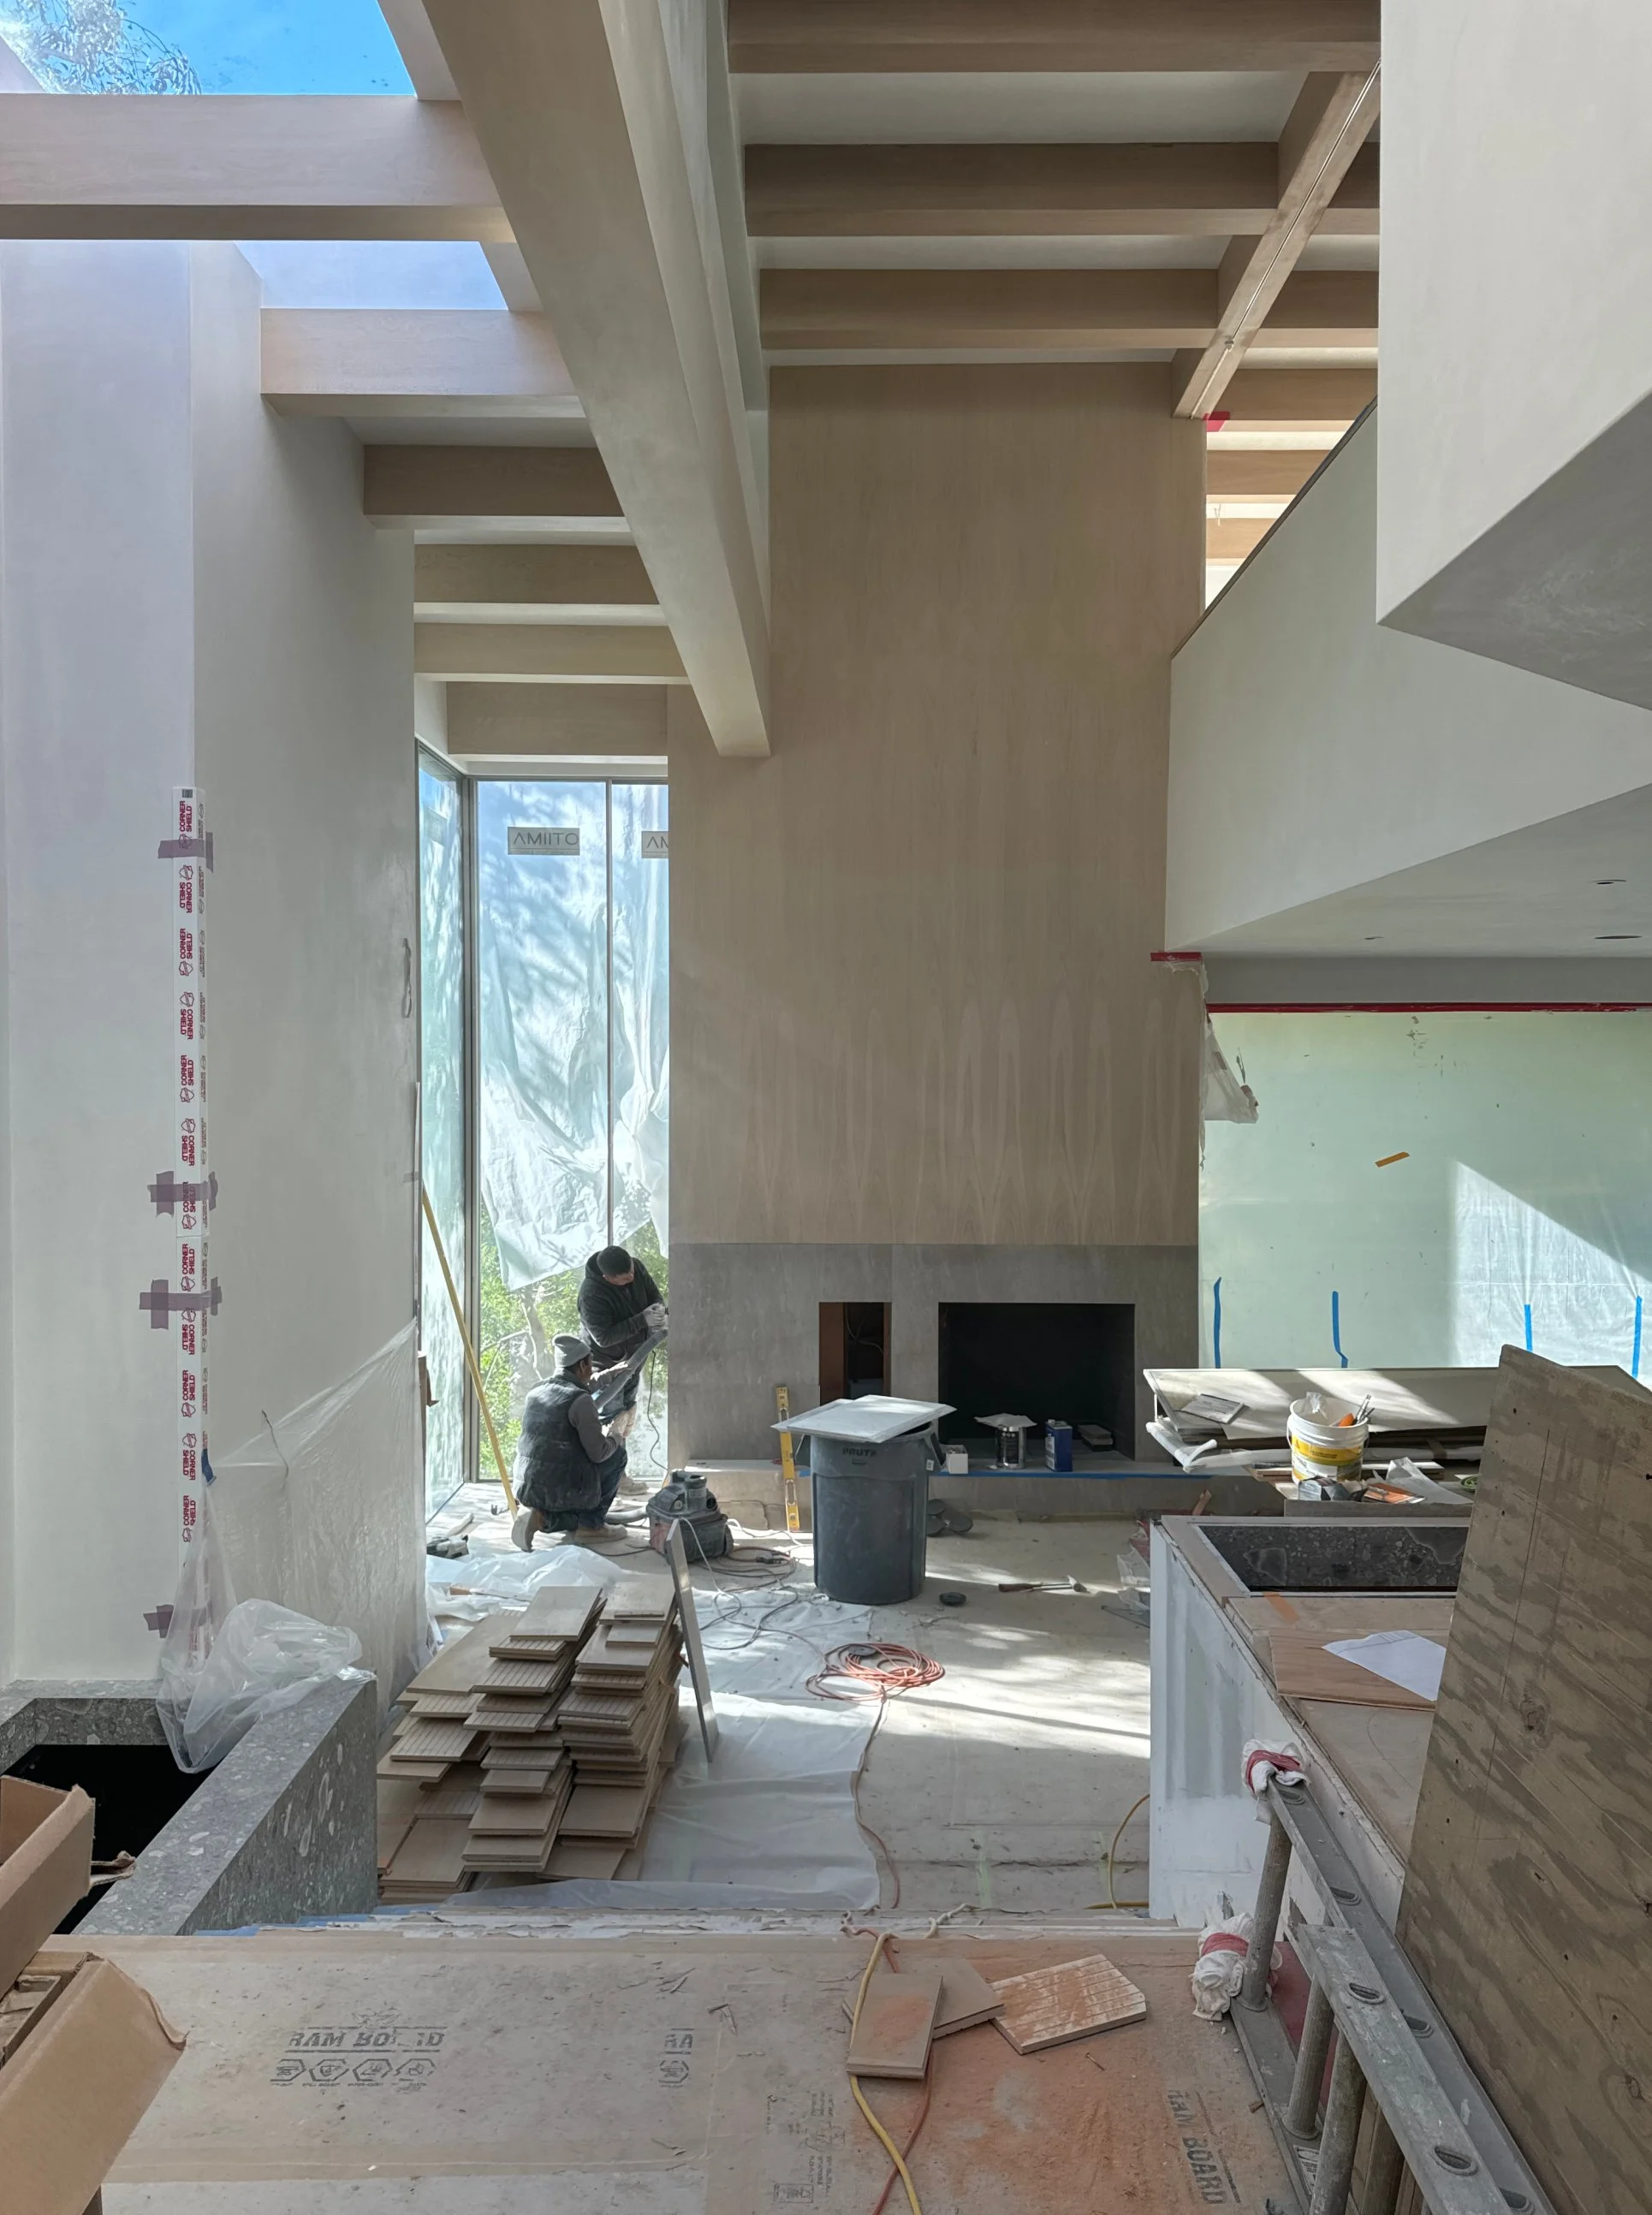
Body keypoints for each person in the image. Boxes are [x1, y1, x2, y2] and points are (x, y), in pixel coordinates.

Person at [510, 1333, 627, 1550]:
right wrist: (615, 1435)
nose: (592, 1368)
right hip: (558, 1488)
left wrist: (609, 1375)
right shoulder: (581, 1401)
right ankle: (591, 1526)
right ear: (583, 1365)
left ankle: (540, 1517)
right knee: (617, 1455)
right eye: (590, 1363)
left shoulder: (537, 1390)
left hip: (528, 1485)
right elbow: (599, 1453)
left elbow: (578, 1385)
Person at [576, 1243, 665, 1442]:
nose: (632, 1278)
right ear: (607, 1278)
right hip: (607, 1369)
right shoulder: (591, 1294)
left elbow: (654, 1293)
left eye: (631, 1272)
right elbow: (604, 1338)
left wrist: (658, 1308)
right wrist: (642, 1320)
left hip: (634, 1360)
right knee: (612, 1424)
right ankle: (613, 1463)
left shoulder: (636, 1267)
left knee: (627, 1417)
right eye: (625, 1278)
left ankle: (621, 1461)